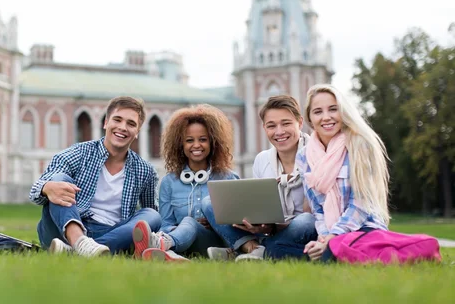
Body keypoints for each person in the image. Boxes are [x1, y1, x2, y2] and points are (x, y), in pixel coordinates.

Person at [28, 96, 161, 257]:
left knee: (152, 216)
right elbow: (35, 192)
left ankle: (80, 251)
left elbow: (150, 218)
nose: (123, 127)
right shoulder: (78, 153)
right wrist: (46, 188)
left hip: (113, 232)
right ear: (106, 123)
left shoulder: (144, 170)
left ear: (137, 132)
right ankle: (79, 242)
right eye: (117, 120)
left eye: (131, 124)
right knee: (58, 179)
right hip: (64, 229)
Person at [203, 95, 318, 261]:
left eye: (286, 123)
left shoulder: (315, 154)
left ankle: (249, 252)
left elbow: (317, 212)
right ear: (264, 128)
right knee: (209, 202)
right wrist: (257, 223)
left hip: (301, 230)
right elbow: (260, 207)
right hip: (268, 231)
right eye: (271, 126)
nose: (279, 132)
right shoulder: (262, 160)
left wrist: (273, 227)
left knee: (305, 221)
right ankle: (253, 248)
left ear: (300, 123)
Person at [133, 104, 238, 262]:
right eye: (189, 140)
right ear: (180, 145)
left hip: (216, 245)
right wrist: (177, 230)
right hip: (185, 243)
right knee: (187, 223)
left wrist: (215, 222)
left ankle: (159, 245)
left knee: (189, 222)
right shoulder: (169, 182)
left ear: (213, 142)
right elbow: (166, 223)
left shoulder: (228, 178)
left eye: (203, 139)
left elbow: (238, 224)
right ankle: (170, 253)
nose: (196, 145)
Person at [298, 84, 390, 262]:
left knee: (327, 255)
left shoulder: (359, 144)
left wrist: (332, 238)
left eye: (333, 109)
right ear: (309, 118)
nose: (326, 117)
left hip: (363, 228)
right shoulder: (304, 156)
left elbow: (361, 205)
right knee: (276, 248)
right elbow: (318, 210)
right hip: (331, 233)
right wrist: (324, 238)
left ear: (343, 112)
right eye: (318, 112)